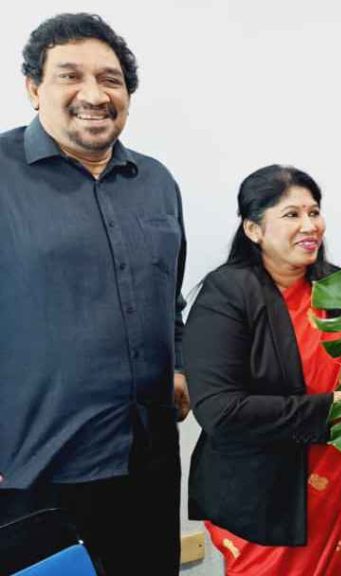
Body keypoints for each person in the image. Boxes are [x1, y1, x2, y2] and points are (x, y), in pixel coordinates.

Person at [0, 13, 187, 574]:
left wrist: (180, 365)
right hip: (34, 468)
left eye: (111, 80)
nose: (94, 94)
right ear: (34, 88)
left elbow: (170, 300)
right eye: (70, 75)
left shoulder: (156, 181)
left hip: (147, 460)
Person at [185, 166, 341, 575]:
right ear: (253, 229)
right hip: (267, 491)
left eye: (314, 212)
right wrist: (329, 409)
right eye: (292, 214)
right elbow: (220, 411)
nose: (309, 225)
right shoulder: (227, 294)